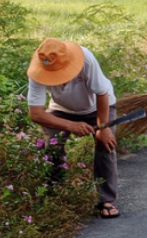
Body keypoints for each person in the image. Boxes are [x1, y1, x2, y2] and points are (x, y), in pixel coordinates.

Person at [26, 38, 120, 218]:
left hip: (97, 107)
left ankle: (105, 199)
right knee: (52, 146)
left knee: (105, 146)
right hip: (61, 110)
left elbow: (102, 93)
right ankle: (56, 193)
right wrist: (71, 125)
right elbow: (36, 114)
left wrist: (103, 127)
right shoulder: (37, 71)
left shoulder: (86, 59)